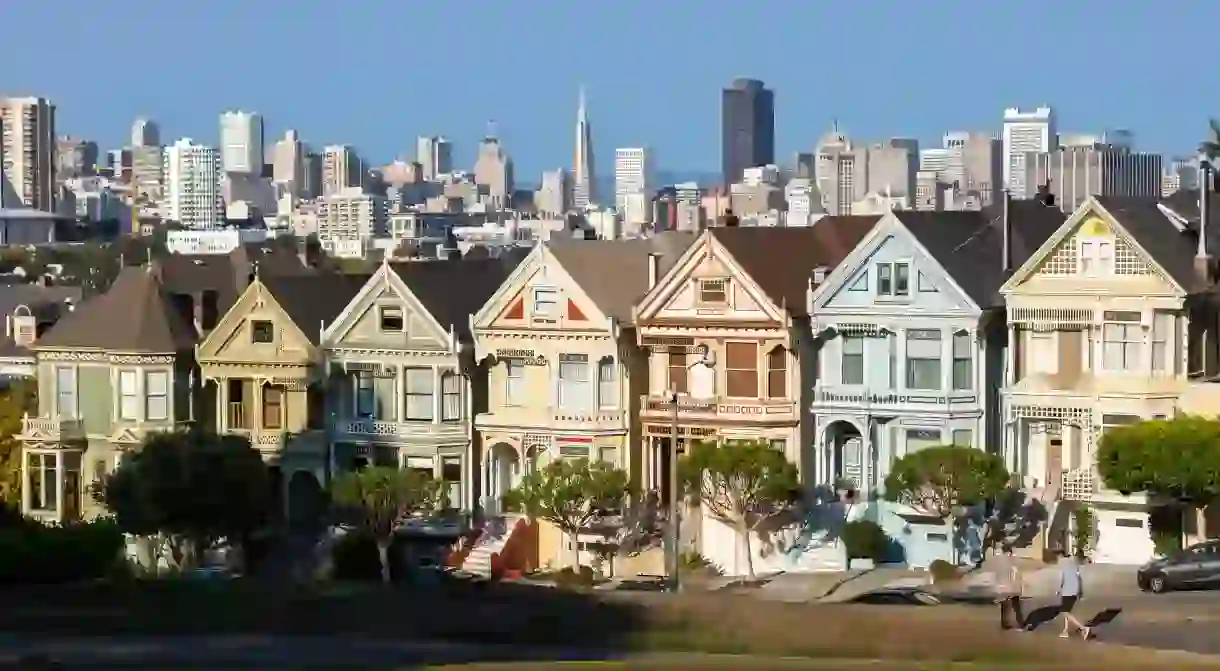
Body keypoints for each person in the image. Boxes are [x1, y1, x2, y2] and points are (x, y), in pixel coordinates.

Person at [1056, 550, 1091, 640]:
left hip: (1067, 591)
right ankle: (1065, 631)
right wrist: (1080, 591)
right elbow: (1079, 578)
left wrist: (1058, 589)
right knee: (1067, 611)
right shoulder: (1075, 564)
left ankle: (1083, 628)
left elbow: (1061, 578)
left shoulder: (1063, 563)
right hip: (1074, 591)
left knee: (1064, 612)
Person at [994, 545, 1025, 631]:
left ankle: (1005, 624)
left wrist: (998, 588)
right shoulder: (1011, 562)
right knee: (1016, 606)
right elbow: (1017, 574)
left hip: (1004, 588)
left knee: (1005, 607)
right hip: (1012, 588)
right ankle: (1020, 623)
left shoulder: (999, 562)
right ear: (1009, 552)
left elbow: (998, 576)